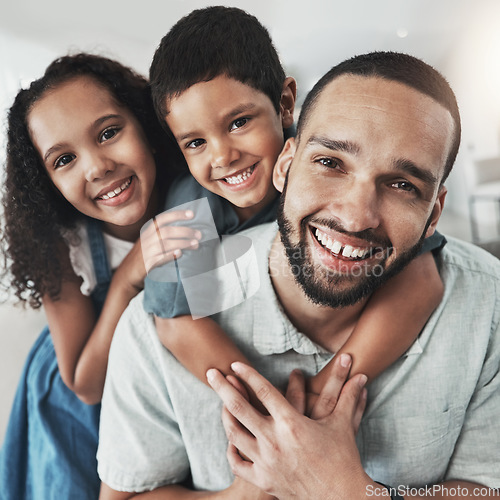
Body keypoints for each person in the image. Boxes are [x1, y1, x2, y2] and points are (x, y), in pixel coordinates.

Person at [97, 52, 499, 498]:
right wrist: (259, 478)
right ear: (285, 166)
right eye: (330, 162)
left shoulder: (487, 303)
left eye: (403, 186)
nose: (355, 215)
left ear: (433, 216)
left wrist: (348, 492)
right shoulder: (155, 311)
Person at [141, 5, 445, 404]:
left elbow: (422, 279)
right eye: (195, 142)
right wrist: (270, 410)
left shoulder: (330, 155)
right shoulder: (190, 210)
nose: (222, 156)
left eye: (238, 123)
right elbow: (175, 322)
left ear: (285, 104)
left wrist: (324, 393)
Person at [0, 53, 198, 499]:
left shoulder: (194, 192)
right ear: (47, 181)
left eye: (109, 133)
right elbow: (85, 385)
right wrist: (129, 275)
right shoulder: (60, 245)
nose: (97, 166)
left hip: (159, 388)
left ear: (146, 125)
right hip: (78, 406)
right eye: (64, 160)